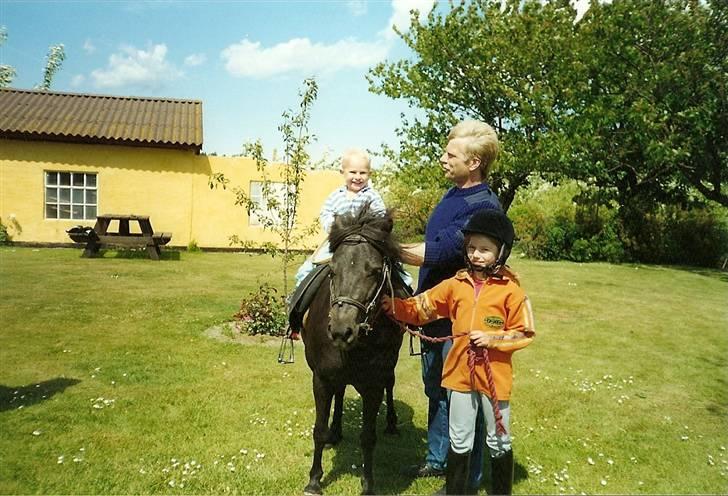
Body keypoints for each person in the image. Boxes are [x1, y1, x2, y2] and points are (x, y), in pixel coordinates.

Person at [384, 209, 535, 495]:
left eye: (485, 249)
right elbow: (423, 307)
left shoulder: (512, 291)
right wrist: (394, 307)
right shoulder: (455, 285)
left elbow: (525, 331)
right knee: (460, 438)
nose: (477, 254)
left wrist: (492, 339)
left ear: (501, 252)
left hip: (495, 381)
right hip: (459, 376)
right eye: (472, 248)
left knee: (499, 439)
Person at [399, 120, 502, 488]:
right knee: (436, 390)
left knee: (465, 401)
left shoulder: (484, 205)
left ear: (474, 162)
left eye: (451, 154)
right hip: (435, 313)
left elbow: (445, 250)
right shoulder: (452, 194)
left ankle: (467, 480)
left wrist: (385, 247)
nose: (443, 159)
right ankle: (437, 458)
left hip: (461, 318)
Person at [294, 148, 386, 287]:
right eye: (353, 172)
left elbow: (380, 215)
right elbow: (326, 213)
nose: (358, 176)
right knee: (308, 268)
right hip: (339, 240)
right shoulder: (336, 196)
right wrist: (333, 227)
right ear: (342, 173)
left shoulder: (372, 195)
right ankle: (299, 300)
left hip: (365, 241)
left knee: (394, 263)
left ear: (369, 174)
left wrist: (370, 228)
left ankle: (406, 291)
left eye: (363, 173)